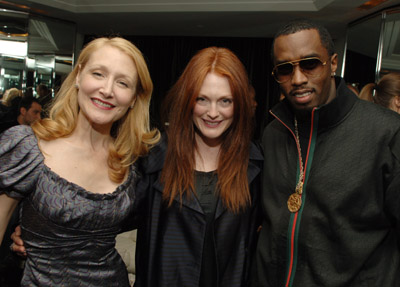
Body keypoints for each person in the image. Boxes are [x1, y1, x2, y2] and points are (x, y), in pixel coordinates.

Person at [0, 36, 159, 286]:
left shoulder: (132, 161)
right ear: (78, 76)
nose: (107, 90)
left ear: (134, 99)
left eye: (122, 83)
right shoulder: (29, 146)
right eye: (98, 74)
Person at [253, 19, 400, 287]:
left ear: (332, 63)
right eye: (285, 70)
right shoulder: (274, 132)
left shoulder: (387, 133)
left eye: (310, 64)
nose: (297, 79)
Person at [134, 46, 263, 287]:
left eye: (225, 101)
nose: (213, 113)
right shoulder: (155, 158)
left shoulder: (254, 165)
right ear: (188, 101)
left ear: (240, 105)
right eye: (202, 99)